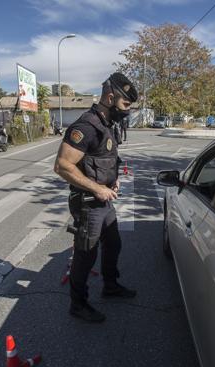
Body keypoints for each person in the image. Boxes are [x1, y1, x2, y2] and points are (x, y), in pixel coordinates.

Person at [54, 72, 138, 323]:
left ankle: (110, 287)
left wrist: (113, 179)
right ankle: (78, 304)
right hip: (89, 202)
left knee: (113, 244)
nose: (127, 110)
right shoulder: (86, 126)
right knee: (86, 254)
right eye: (125, 105)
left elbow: (104, 157)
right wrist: (97, 188)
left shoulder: (105, 125)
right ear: (110, 98)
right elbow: (62, 166)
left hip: (103, 200)